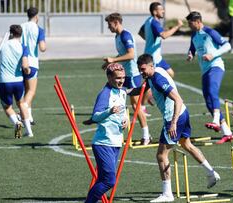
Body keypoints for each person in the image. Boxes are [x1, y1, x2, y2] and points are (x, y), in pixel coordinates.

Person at [134, 54, 220, 202]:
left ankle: (167, 194)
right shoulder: (155, 73)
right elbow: (142, 87)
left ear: (151, 65)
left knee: (161, 155)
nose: (141, 73)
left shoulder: (158, 80)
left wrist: (173, 123)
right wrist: (123, 89)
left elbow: (178, 99)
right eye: (139, 70)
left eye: (143, 69)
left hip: (174, 118)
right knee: (187, 144)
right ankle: (211, 173)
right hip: (183, 113)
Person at [103, 13, 152, 145]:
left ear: (116, 22)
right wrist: (110, 63)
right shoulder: (117, 36)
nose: (108, 27)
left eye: (109, 24)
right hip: (125, 75)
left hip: (133, 74)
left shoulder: (125, 35)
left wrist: (113, 60)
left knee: (136, 106)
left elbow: (130, 54)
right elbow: (122, 53)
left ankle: (146, 135)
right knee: (121, 102)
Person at [186, 11, 233, 144]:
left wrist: (213, 55)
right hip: (205, 71)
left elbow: (228, 45)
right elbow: (192, 49)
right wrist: (190, 54)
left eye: (190, 23)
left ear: (198, 22)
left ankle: (215, 121)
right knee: (208, 102)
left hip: (216, 66)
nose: (189, 26)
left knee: (213, 92)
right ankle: (227, 133)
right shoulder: (194, 35)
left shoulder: (210, 32)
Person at [85, 63, 128, 203]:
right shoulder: (105, 94)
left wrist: (126, 118)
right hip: (103, 143)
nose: (121, 80)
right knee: (109, 181)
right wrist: (109, 111)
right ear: (109, 77)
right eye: (118, 78)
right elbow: (95, 117)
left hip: (116, 142)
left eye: (123, 77)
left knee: (104, 179)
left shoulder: (121, 91)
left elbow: (123, 109)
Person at [0, 24, 33, 138]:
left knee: (7, 107)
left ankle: (17, 124)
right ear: (21, 34)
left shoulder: (2, 46)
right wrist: (27, 70)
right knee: (22, 104)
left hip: (4, 82)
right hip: (18, 81)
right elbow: (25, 66)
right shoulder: (23, 47)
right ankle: (29, 131)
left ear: (10, 34)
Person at [142, 2, 183, 78]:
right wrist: (178, 26)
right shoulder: (154, 22)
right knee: (152, 82)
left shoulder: (148, 20)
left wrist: (149, 40)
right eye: (160, 9)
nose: (163, 11)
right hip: (153, 59)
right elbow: (164, 35)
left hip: (156, 57)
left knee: (170, 74)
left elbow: (141, 32)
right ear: (154, 12)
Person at [21, 6, 46, 125]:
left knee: (26, 91)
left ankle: (29, 118)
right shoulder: (38, 29)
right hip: (32, 63)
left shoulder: (21, 27)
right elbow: (42, 48)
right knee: (31, 91)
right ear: (37, 16)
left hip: (20, 63)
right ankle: (23, 109)